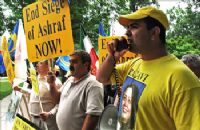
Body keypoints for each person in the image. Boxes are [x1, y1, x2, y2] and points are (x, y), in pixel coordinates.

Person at [96, 6, 200, 130]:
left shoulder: (181, 77)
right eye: (127, 28)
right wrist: (112, 56)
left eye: (134, 27)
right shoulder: (134, 63)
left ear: (154, 33)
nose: (127, 33)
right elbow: (102, 78)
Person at [47, 50, 104, 130]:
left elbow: (93, 116)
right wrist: (51, 84)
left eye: (74, 62)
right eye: (70, 62)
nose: (70, 65)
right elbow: (57, 99)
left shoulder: (93, 84)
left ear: (86, 64)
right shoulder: (70, 80)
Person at [29, 60, 62, 130]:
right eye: (37, 63)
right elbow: (35, 96)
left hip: (48, 121)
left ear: (48, 66)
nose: (37, 65)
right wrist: (20, 89)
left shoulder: (56, 82)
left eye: (40, 63)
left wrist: (50, 114)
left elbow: (61, 103)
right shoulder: (36, 80)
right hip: (34, 119)